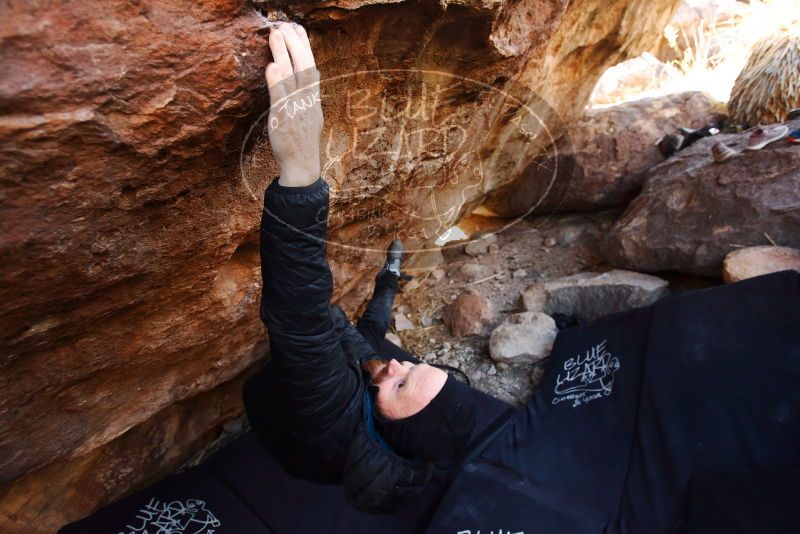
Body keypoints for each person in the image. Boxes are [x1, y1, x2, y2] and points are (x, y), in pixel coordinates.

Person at [242, 22, 477, 513]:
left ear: (388, 420)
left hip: (286, 423)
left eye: (402, 383)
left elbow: (302, 322)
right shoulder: (381, 396)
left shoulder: (334, 416)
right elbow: (371, 335)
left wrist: (301, 170)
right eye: (414, 365)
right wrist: (389, 278)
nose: (397, 365)